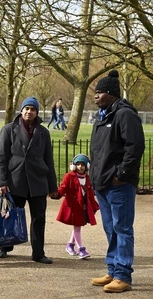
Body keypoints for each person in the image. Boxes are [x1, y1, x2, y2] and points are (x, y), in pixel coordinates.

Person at [89, 70, 145, 293]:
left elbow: (135, 147)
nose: (95, 97)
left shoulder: (124, 115)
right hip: (102, 183)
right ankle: (112, 269)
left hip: (119, 184)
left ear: (111, 94)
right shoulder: (102, 117)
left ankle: (123, 275)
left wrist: (121, 175)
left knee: (122, 229)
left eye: (99, 93)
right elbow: (99, 151)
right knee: (110, 228)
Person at [0, 96, 58, 264]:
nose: (29, 112)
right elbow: (1, 158)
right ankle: (5, 247)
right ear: (21, 110)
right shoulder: (9, 129)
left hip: (38, 181)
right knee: (11, 216)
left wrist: (53, 186)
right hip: (16, 180)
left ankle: (38, 253)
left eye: (32, 109)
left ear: (37, 112)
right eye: (26, 109)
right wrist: (3, 182)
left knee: (39, 219)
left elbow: (49, 160)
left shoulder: (43, 132)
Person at [52, 154, 99, 259]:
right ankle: (81, 249)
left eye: (82, 165)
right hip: (73, 207)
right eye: (77, 165)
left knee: (78, 226)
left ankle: (70, 245)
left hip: (84, 207)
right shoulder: (69, 176)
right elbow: (63, 188)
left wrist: (94, 205)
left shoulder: (87, 178)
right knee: (77, 227)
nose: (80, 167)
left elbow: (90, 193)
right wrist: (56, 194)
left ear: (87, 166)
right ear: (73, 166)